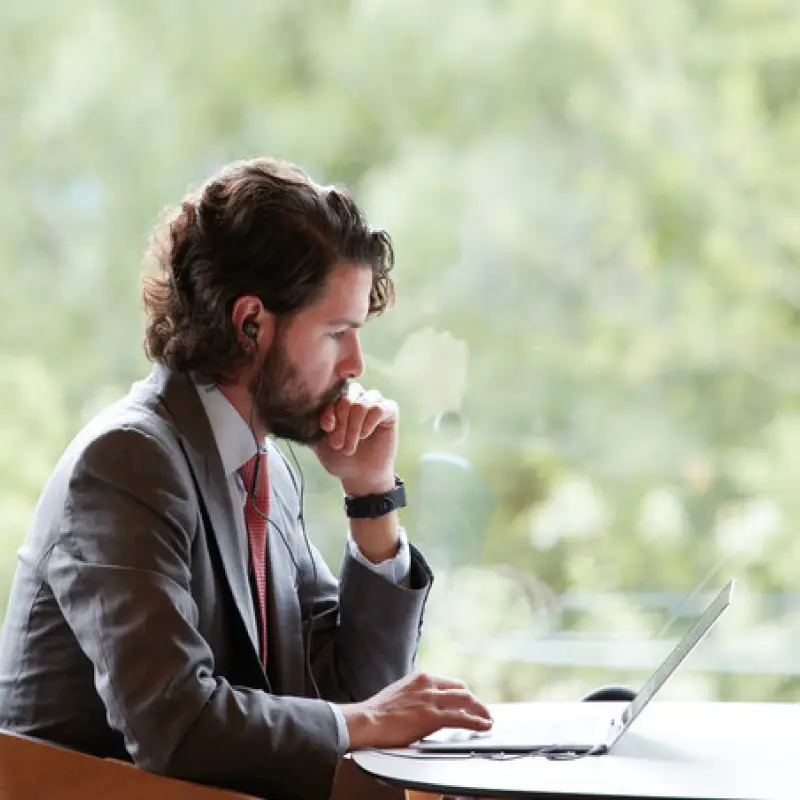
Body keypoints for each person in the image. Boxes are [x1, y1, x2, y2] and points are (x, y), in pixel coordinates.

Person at [0, 158, 493, 800]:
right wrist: (369, 720)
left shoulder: (264, 471)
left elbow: (357, 697)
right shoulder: (128, 461)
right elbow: (174, 725)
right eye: (337, 333)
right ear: (251, 323)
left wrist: (371, 498)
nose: (357, 363)